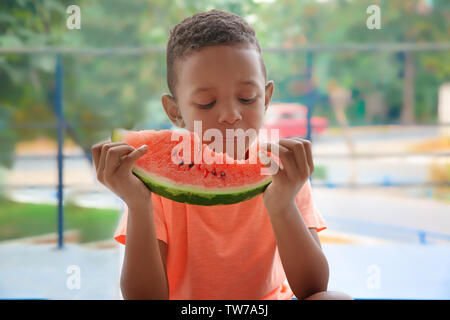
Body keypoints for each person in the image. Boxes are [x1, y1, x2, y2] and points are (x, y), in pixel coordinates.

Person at [91, 9, 352, 300]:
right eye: (206, 102)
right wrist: (138, 203)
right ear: (175, 111)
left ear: (265, 99)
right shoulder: (154, 187)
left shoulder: (284, 172)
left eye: (246, 98)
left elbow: (313, 288)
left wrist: (282, 205)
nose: (230, 115)